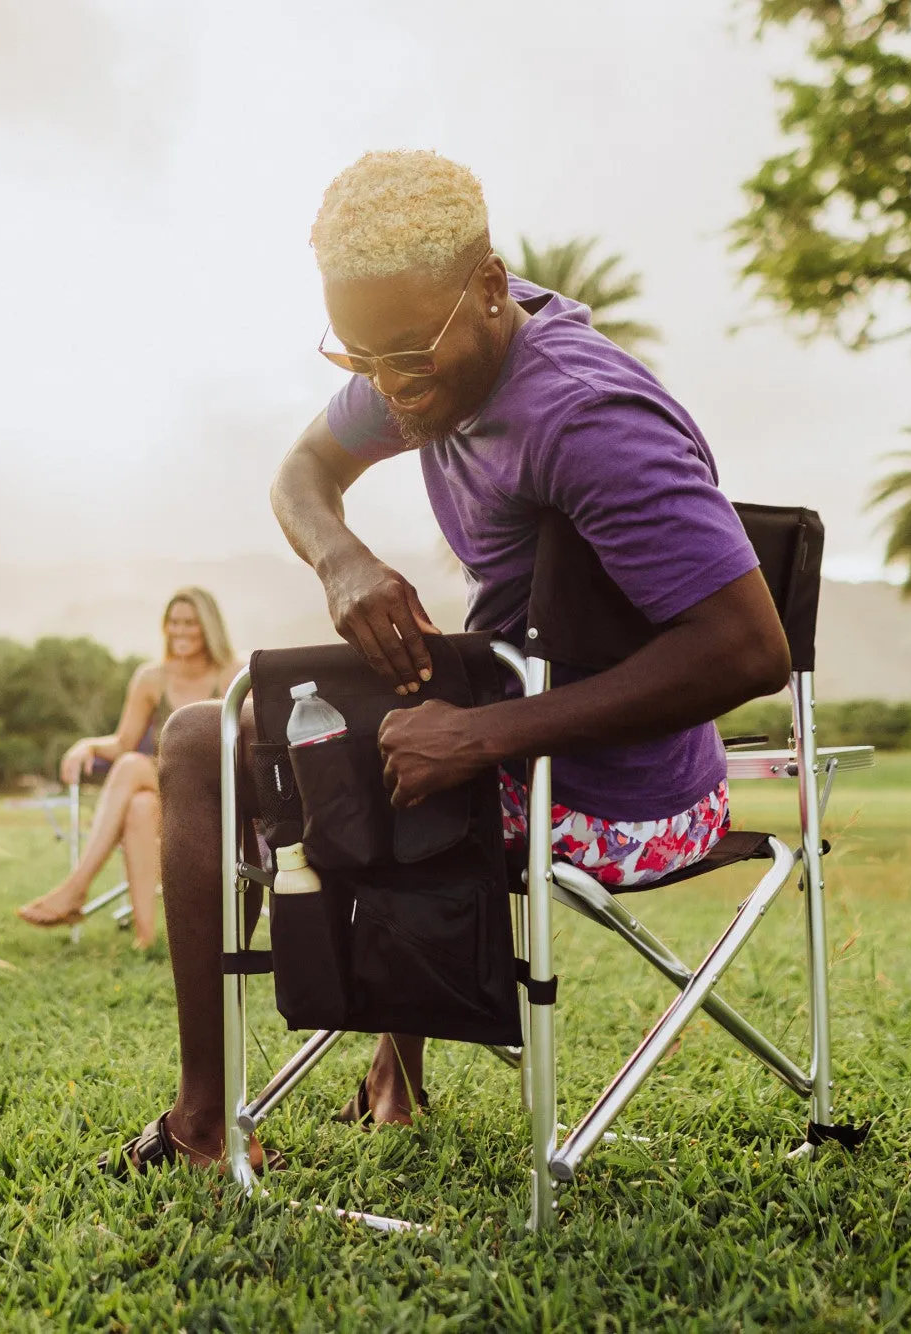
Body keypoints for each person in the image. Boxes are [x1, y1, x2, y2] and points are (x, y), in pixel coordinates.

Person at [106, 151, 792, 1173]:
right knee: (395, 696)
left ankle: (205, 1124)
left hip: (628, 801)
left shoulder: (587, 419)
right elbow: (300, 474)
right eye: (358, 356)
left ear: (486, 289)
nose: (387, 387)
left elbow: (749, 648)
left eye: (405, 354)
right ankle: (389, 1069)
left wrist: (487, 734)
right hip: (509, 728)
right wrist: (340, 561)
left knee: (205, 740)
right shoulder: (424, 344)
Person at [16, 588, 239, 950]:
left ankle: (76, 888)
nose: (180, 631)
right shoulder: (152, 679)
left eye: (191, 623)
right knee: (138, 806)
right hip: (165, 789)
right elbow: (122, 742)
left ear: (209, 626)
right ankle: (146, 937)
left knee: (133, 765)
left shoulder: (231, 674)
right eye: (174, 622)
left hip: (217, 789)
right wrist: (86, 745)